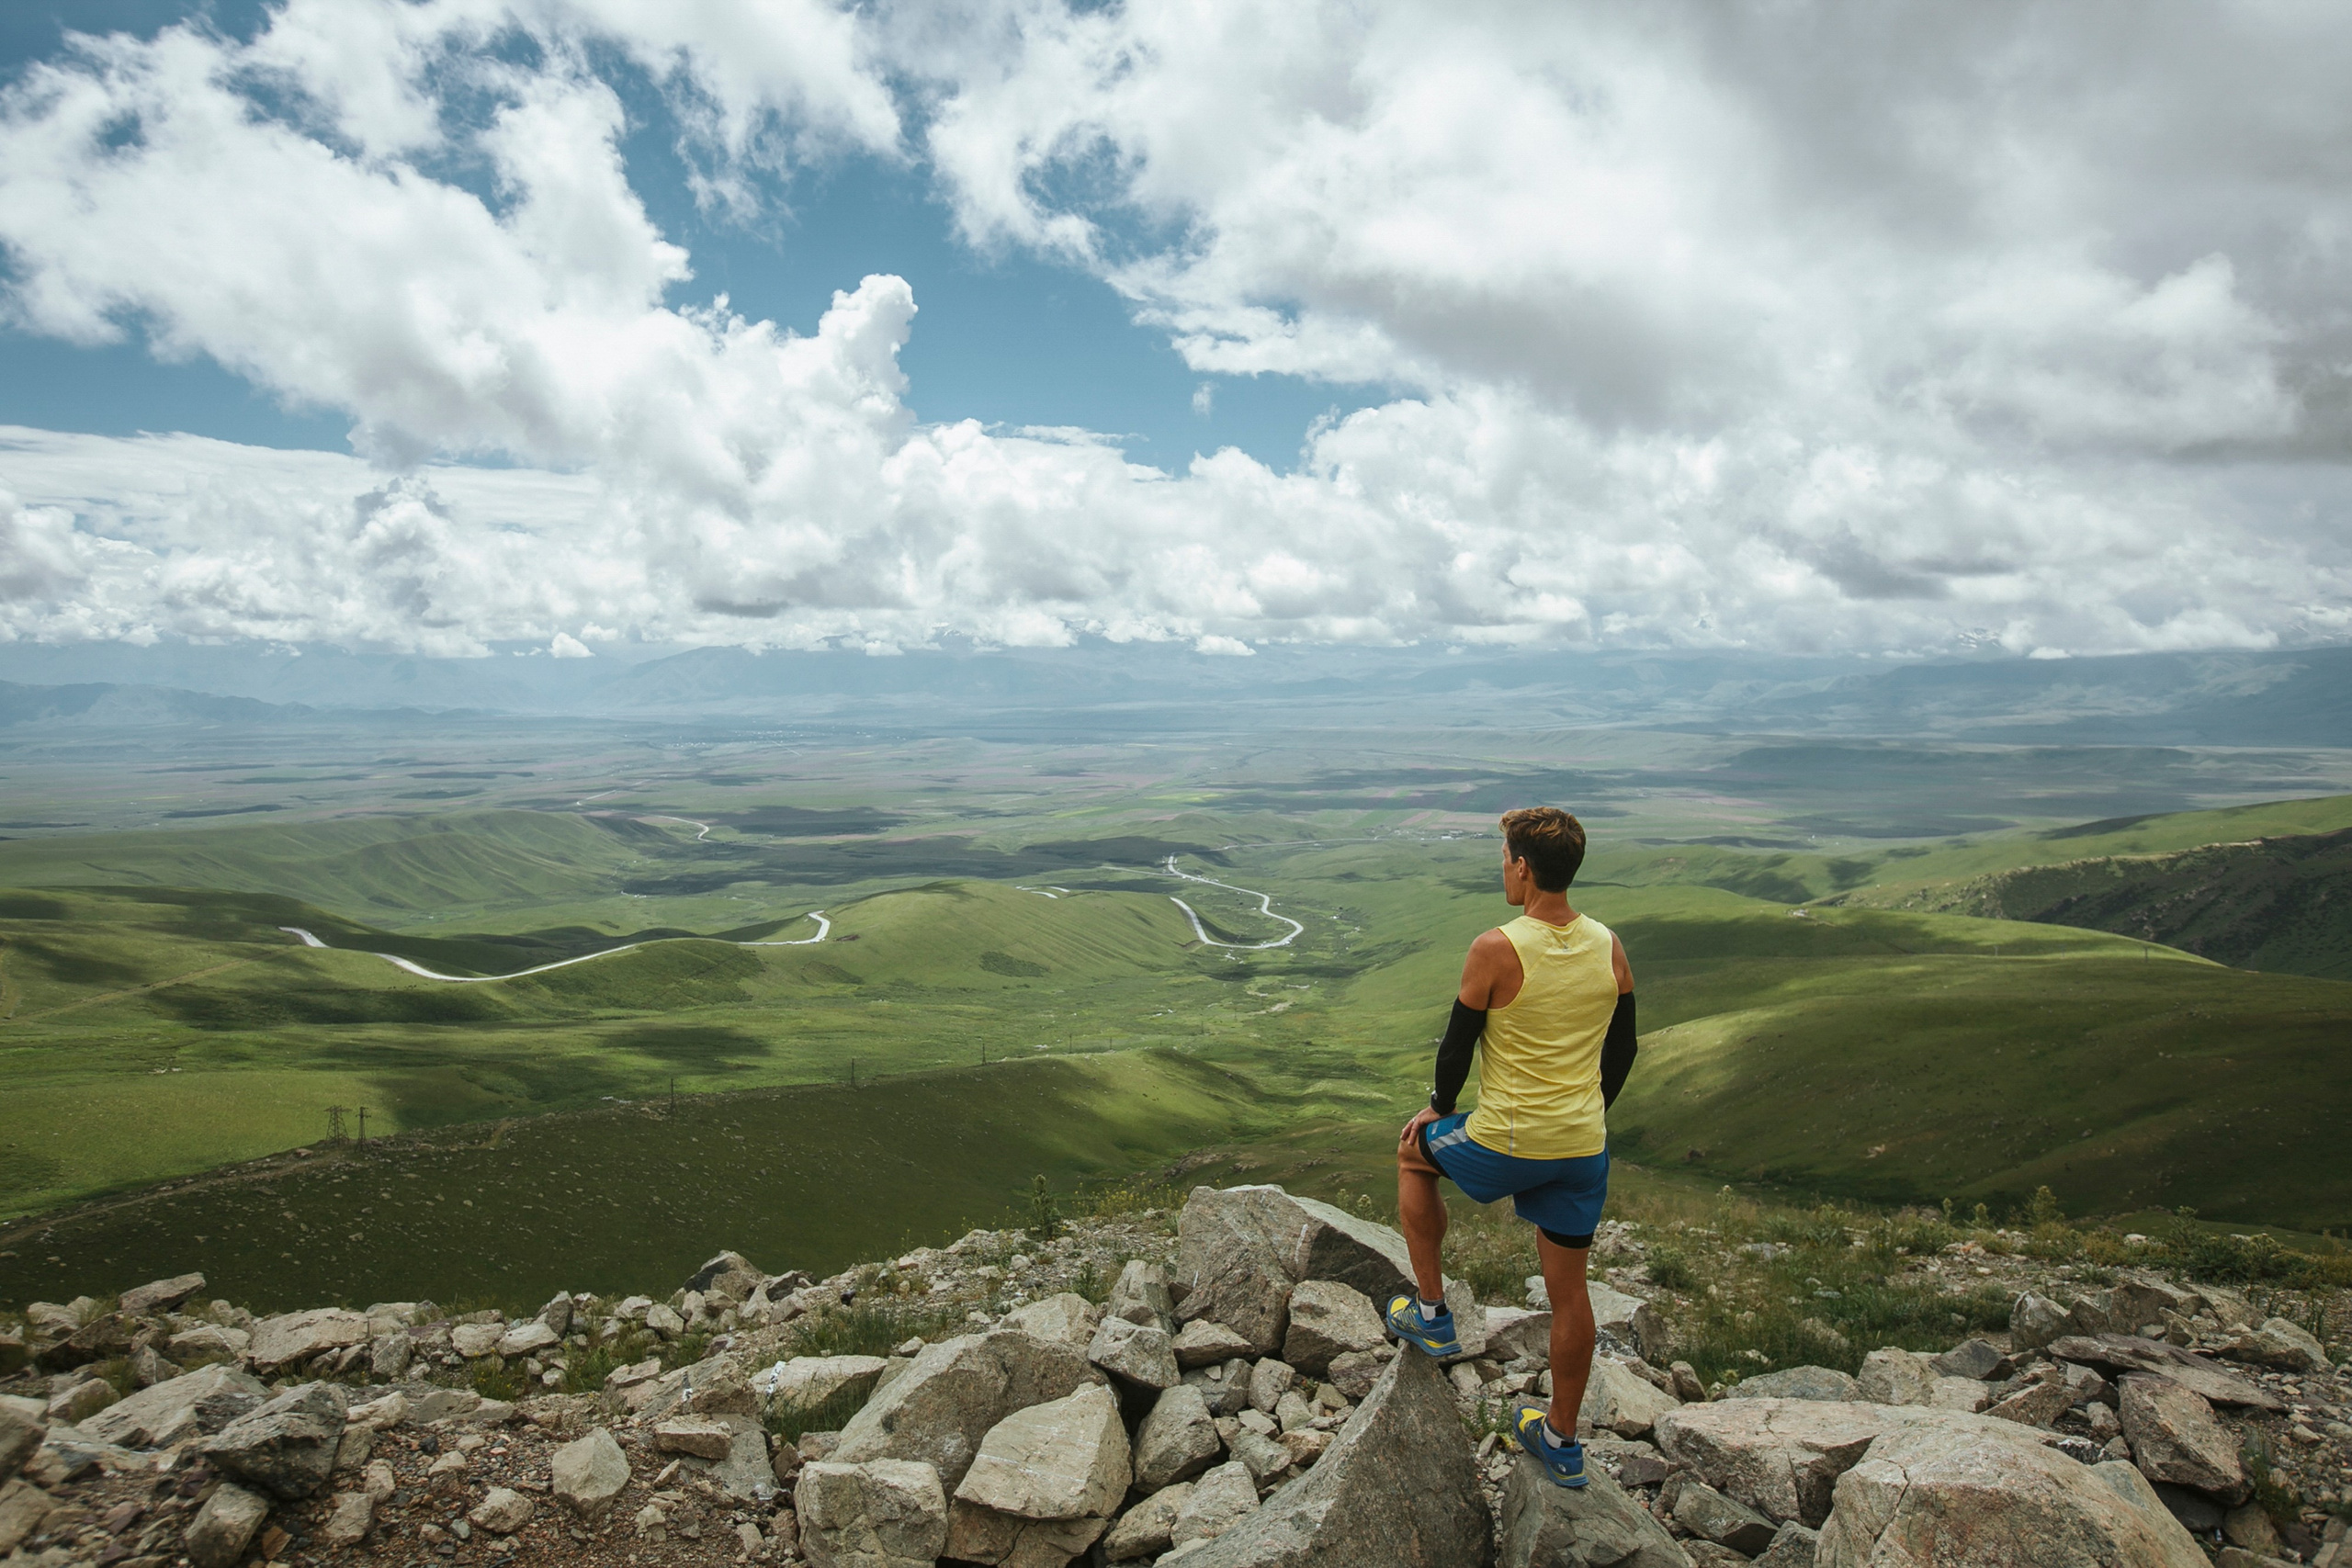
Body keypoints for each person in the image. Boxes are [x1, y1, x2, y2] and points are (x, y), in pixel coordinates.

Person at [1390, 807, 1638, 1489]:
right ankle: (1560, 1437)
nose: (1503, 865)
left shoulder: (1496, 947)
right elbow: (1625, 1047)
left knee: (1415, 1153)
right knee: (1569, 1292)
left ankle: (1433, 1313)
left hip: (1507, 1135)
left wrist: (1437, 1109)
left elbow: (1456, 1045)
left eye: (1505, 855)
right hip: (1582, 1143)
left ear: (1524, 867)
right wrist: (1588, 1111)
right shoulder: (1609, 945)